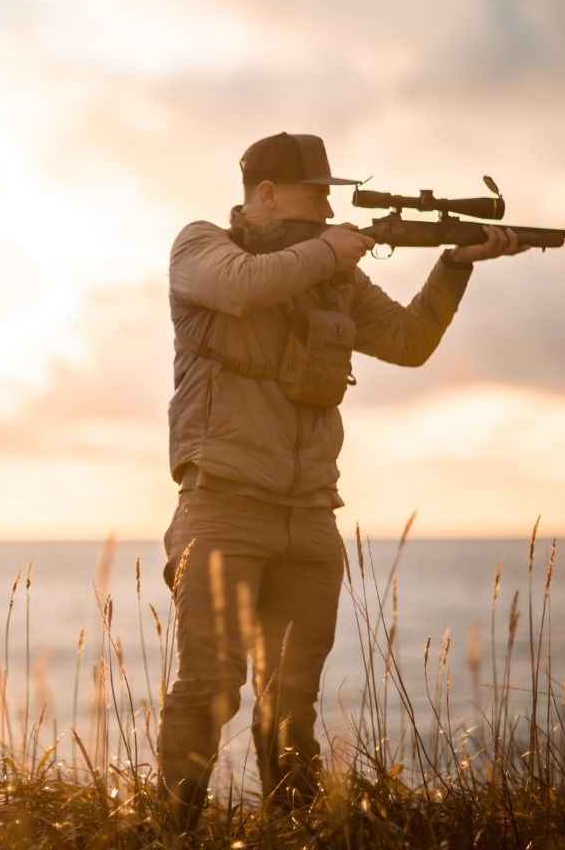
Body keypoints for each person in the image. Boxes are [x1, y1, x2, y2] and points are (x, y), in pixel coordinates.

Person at [157, 132, 529, 831]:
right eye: (314, 194)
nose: (327, 209)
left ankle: (294, 831)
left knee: (293, 696)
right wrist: (336, 246)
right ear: (264, 195)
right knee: (208, 688)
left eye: (330, 197)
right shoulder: (201, 247)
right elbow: (241, 288)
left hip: (310, 515)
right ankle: (172, 834)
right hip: (224, 505)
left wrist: (454, 264)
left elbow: (408, 344)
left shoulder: (336, 277)